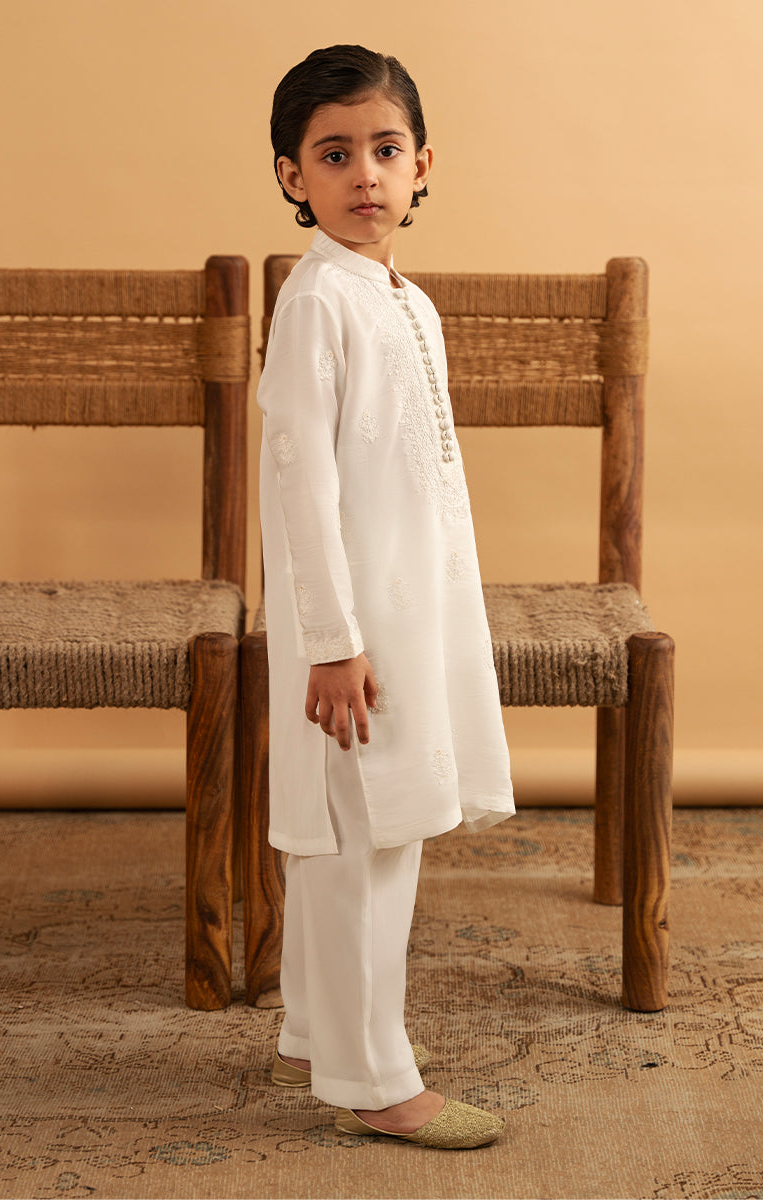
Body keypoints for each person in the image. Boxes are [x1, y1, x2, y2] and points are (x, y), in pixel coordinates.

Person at [257, 44, 515, 1149]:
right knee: (366, 833)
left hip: (408, 614)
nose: (363, 173)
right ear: (291, 175)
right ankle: (374, 1080)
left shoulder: (407, 302)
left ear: (422, 166)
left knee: (363, 828)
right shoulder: (317, 301)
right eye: (333, 154)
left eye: (384, 148)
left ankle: (319, 1032)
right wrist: (330, 639)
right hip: (353, 628)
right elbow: (299, 479)